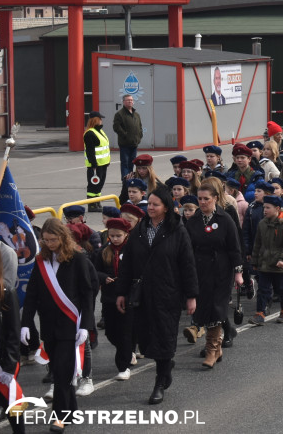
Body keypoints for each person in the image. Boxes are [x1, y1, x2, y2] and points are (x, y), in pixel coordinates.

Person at [116, 185, 197, 405]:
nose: (150, 208)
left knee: (163, 336)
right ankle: (165, 364)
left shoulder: (177, 230)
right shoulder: (140, 229)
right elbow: (128, 264)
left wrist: (191, 295)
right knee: (147, 337)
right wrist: (121, 292)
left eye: (155, 204)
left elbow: (187, 264)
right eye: (149, 204)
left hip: (167, 293)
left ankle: (160, 381)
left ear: (166, 207)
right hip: (143, 294)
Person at [22, 219, 97, 431]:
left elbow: (87, 294)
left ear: (62, 237)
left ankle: (59, 417)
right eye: (45, 240)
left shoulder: (77, 259)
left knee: (63, 374)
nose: (49, 244)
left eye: (53, 240)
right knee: (57, 369)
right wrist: (26, 323)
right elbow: (32, 294)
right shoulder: (41, 261)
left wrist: (85, 325)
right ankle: (71, 411)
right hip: (49, 326)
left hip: (70, 326)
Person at [187, 178, 243, 370]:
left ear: (215, 198)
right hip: (200, 270)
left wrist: (238, 273)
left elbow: (234, 247)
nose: (202, 202)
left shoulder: (224, 219)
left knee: (217, 309)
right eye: (200, 199)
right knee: (204, 308)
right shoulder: (193, 220)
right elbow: (187, 247)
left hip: (221, 270)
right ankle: (216, 348)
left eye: (206, 199)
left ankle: (211, 349)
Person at [94, 217, 135, 381]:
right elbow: (94, 271)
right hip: (109, 297)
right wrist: (103, 277)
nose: (115, 239)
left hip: (127, 297)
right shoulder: (104, 251)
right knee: (111, 332)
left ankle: (123, 366)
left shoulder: (132, 250)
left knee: (124, 331)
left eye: (119, 235)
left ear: (126, 234)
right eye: (112, 236)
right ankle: (127, 350)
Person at [249, 195, 283, 326]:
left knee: (282, 289)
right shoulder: (262, 223)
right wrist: (255, 261)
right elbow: (257, 244)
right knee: (263, 289)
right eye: (264, 207)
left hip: (279, 264)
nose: (265, 210)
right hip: (264, 263)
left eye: (268, 208)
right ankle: (260, 313)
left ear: (277, 209)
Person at [0, 251, 22, 433]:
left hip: (2, 358)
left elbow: (13, 331)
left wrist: (10, 365)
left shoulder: (5, 291)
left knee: (13, 402)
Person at [112, 94, 143, 181]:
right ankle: (125, 179)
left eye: (131, 100)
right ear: (123, 102)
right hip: (125, 144)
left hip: (134, 143)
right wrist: (125, 135)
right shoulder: (119, 114)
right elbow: (116, 127)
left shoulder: (136, 114)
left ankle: (130, 178)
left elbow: (140, 126)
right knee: (125, 163)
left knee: (132, 163)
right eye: (128, 100)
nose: (130, 101)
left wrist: (140, 136)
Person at [84, 110, 111, 202]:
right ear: (96, 120)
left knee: (99, 185)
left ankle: (97, 202)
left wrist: (107, 161)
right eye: (100, 119)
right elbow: (90, 151)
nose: (101, 121)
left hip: (103, 164)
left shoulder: (100, 131)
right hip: (95, 165)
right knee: (93, 186)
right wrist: (94, 164)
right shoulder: (90, 134)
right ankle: (92, 204)